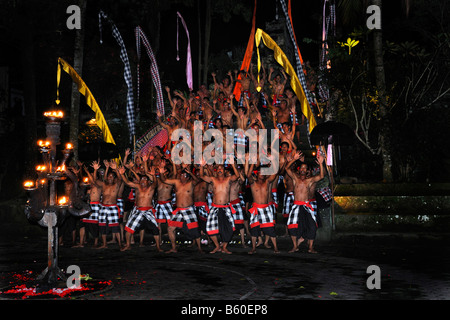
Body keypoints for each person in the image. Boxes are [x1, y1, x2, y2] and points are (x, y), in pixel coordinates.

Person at [285, 150, 325, 253]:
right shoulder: (295, 178)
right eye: (301, 168)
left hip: (307, 205)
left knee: (312, 226)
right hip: (296, 206)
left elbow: (321, 176)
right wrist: (294, 159)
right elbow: (286, 168)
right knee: (292, 226)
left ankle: (310, 247)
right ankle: (295, 246)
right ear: (299, 169)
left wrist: (321, 164)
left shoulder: (310, 180)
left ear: (307, 170)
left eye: (305, 168)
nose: (303, 169)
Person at [158, 163, 204, 254]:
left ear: (187, 177)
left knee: (194, 228)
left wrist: (190, 173)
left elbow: (198, 180)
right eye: (181, 175)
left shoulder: (191, 183)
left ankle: (199, 248)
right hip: (179, 210)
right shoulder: (176, 182)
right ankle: (174, 247)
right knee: (170, 228)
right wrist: (161, 172)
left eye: (184, 175)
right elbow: (164, 180)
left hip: (188, 209)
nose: (182, 177)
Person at [199, 160, 242, 254]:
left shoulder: (228, 179)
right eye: (218, 168)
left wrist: (233, 165)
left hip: (226, 208)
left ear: (224, 170)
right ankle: (217, 246)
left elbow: (237, 176)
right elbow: (202, 176)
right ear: (216, 170)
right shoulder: (213, 179)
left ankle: (225, 247)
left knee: (229, 228)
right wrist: (202, 166)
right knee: (210, 228)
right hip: (215, 207)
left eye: (221, 168)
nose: (219, 170)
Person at [118, 164, 162, 252]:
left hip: (148, 211)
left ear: (148, 182)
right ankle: (128, 245)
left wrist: (153, 175)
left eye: (145, 179)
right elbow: (127, 182)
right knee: (128, 227)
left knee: (155, 229)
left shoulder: (151, 188)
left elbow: (155, 183)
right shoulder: (137, 187)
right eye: (141, 179)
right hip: (138, 211)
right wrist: (122, 174)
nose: (143, 181)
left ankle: (158, 247)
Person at [245, 156, 281, 255]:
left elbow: (275, 172)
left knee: (270, 229)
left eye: (263, 172)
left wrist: (273, 160)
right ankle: (253, 248)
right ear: (256, 174)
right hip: (256, 209)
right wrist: (251, 162)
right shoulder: (253, 183)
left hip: (266, 209)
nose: (261, 174)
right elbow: (248, 175)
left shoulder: (268, 182)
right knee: (254, 230)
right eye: (259, 172)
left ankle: (276, 247)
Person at [92, 160, 123, 249]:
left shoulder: (116, 185)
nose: (110, 178)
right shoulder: (103, 185)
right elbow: (95, 180)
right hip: (103, 207)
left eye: (111, 177)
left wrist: (116, 169)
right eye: (108, 176)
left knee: (115, 226)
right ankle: (104, 244)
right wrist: (95, 170)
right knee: (102, 225)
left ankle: (120, 244)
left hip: (112, 207)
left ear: (114, 178)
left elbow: (120, 179)